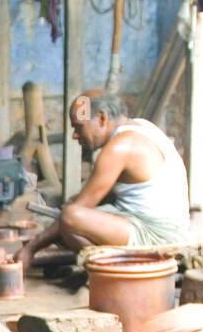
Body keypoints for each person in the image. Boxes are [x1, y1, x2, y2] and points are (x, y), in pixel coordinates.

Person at [16, 89, 190, 269]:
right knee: (69, 216)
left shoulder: (119, 148)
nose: (75, 135)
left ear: (101, 118)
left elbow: (75, 213)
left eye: (78, 127)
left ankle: (114, 273)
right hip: (167, 227)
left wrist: (31, 248)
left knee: (70, 218)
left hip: (158, 237)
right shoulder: (141, 126)